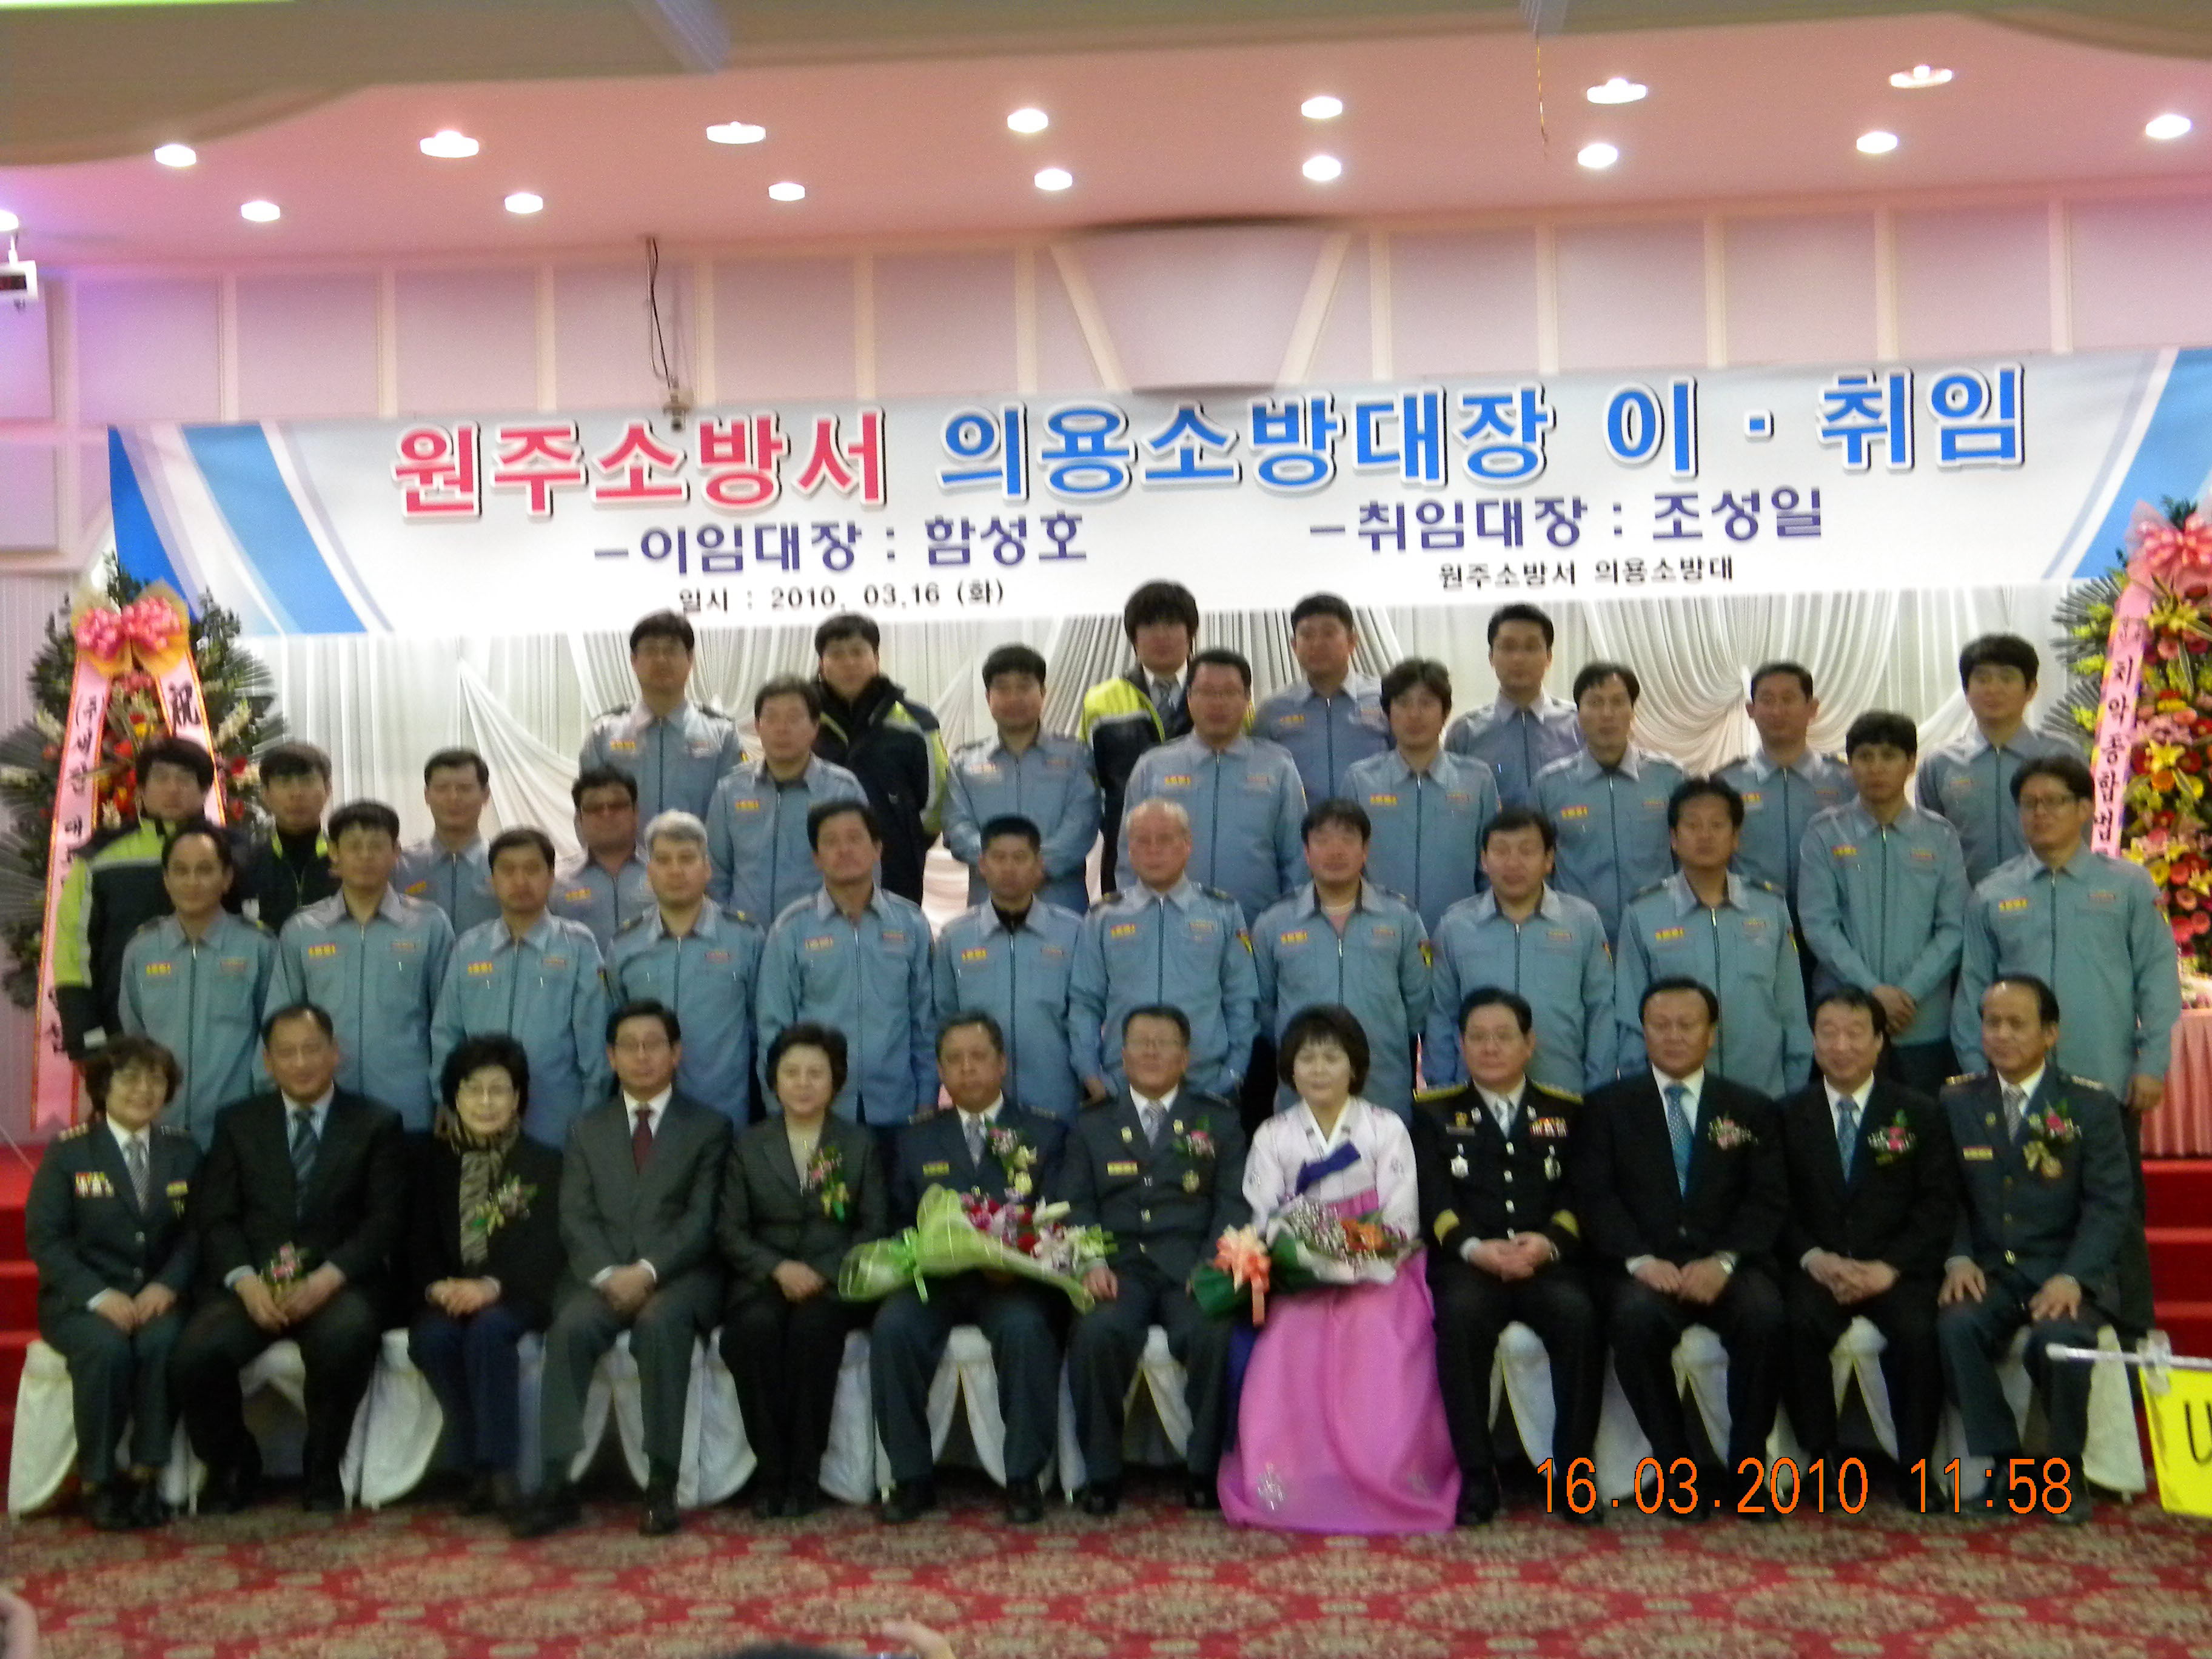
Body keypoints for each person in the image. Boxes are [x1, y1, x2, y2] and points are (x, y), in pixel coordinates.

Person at [1952, 752, 2179, 1339]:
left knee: (2118, 1213)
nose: (2041, 813)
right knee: (2023, 1210)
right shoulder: (1993, 893)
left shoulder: (2126, 885)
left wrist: (2152, 1062)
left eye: (2054, 802)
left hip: (2104, 1081)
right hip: (2016, 1091)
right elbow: (1973, 991)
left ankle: (2130, 1338)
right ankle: (2030, 1327)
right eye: (2029, 804)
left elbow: (2158, 979)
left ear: (2085, 810)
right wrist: (1983, 1078)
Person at [1220, 1004, 1458, 1532]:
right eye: (1307, 1059)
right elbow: (1263, 1217)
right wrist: (1306, 1256)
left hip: (1379, 1271)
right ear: (1290, 1069)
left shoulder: (1385, 1128)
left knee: (1379, 1337)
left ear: (1355, 1066)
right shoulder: (1273, 1135)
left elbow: (1401, 1219)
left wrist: (1353, 1256)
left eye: (1332, 1058)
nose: (1320, 1070)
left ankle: (1386, 1474)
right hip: (1299, 1275)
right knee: (1287, 1342)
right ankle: (1300, 1478)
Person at [170, 1002, 406, 1513]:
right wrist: (245, 1282)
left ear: (335, 1053)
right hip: (254, 1283)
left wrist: (327, 1278)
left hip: (338, 1282)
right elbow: (217, 1218)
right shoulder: (238, 1123)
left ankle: (322, 1469)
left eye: (312, 1049)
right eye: (287, 1052)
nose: (301, 1063)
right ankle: (234, 1463)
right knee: (195, 1355)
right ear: (268, 1061)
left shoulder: (377, 1123)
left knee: (345, 1338)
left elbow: (384, 1223)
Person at [512, 1000, 732, 1540]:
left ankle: (661, 1485)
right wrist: (609, 1274)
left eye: (654, 1044)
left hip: (679, 1276)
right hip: (601, 1276)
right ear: (610, 1057)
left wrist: (649, 1272)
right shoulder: (586, 1128)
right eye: (628, 1046)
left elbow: (703, 1220)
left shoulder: (709, 1127)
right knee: (570, 1328)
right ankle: (556, 1483)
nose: (642, 1056)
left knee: (661, 1326)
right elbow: (575, 1217)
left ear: (676, 1053)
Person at [1571, 978, 1788, 1510]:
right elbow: (1595, 1197)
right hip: (1645, 1267)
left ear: (1711, 1034)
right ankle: (1676, 1470)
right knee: (1634, 1320)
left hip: (1728, 1264)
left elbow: (1767, 1199)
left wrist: (1725, 1261)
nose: (1673, 1036)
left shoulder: (1750, 1108)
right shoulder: (1606, 1108)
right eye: (1660, 1026)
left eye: (1687, 1026)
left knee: (1765, 1316)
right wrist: (1640, 1260)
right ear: (1642, 1032)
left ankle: (1749, 1469)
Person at [1937, 976, 2133, 1523]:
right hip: (1991, 1272)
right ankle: (2005, 1465)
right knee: (1956, 1326)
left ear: (2050, 1034)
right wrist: (1957, 1257)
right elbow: (1943, 1196)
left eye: (2016, 1024)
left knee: (2060, 1340)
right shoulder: (1957, 1101)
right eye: (1992, 1023)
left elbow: (2110, 1204)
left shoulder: (2089, 1104)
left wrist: (2075, 1276)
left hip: (2065, 1271)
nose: (2001, 1035)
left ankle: (2065, 1472)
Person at [1413, 989, 1601, 1526]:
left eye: (1503, 1037)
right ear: (1461, 1045)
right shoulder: (1433, 1113)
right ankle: (1477, 1478)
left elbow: (1581, 1195)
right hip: (1470, 1263)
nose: (1490, 1048)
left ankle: (1575, 1475)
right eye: (1478, 1037)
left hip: (1546, 1261)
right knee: (1459, 1320)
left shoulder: (1567, 1111)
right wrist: (1475, 1247)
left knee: (1580, 1317)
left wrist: (1548, 1243)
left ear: (1529, 1044)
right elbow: (1434, 1198)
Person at [873, 1013, 1068, 1525]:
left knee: (1026, 1330)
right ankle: (911, 1478)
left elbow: (1059, 1217)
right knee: (893, 1328)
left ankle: (1023, 1479)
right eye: (954, 1060)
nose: (967, 1069)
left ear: (1002, 1064)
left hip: (1011, 1282)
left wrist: (1021, 1258)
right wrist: (921, 1252)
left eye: (979, 1057)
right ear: (939, 1071)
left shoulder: (1044, 1132)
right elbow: (897, 1220)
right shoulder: (913, 1139)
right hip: (935, 1280)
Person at [1057, 1004, 1247, 1515]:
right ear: (1122, 1057)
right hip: (1118, 1269)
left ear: (1186, 1058)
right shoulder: (1093, 1124)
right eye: (1141, 1042)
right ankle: (1102, 1474)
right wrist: (1091, 1262)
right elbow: (1075, 1203)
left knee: (1214, 1333)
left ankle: (1205, 1471)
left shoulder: (1219, 1121)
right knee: (1095, 1332)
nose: (1151, 1052)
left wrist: (1213, 1263)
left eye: (1164, 1043)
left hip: (1191, 1267)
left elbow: (1234, 1202)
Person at [1775, 988, 1954, 1504]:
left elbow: (1937, 1205)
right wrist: (1815, 1259)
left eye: (1855, 1034)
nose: (1841, 1046)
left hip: (1895, 1270)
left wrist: (1889, 1267)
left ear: (1879, 1042)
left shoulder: (1919, 1112)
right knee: (1795, 1324)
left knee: (1920, 1332)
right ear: (1813, 1042)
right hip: (1818, 1269)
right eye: (1828, 1033)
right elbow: (1774, 1205)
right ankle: (1822, 1461)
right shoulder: (1786, 1115)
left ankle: (1917, 1466)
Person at [25, 1036, 200, 1529]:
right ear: (103, 1086)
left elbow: (197, 1233)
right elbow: (46, 1239)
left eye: (156, 1079)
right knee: (106, 1350)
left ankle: (147, 1475)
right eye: (130, 1078)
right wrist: (99, 1297)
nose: (144, 1090)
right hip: (82, 1302)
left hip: (158, 1298)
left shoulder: (183, 1150)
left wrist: (167, 1286)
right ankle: (98, 1481)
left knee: (163, 1343)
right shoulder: (70, 1153)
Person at [718, 1023, 888, 1518]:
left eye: (816, 1073)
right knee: (753, 1332)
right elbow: (730, 1229)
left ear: (836, 1081)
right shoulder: (749, 1144)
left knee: (813, 1333)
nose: (803, 1083)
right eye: (791, 1073)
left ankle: (804, 1474)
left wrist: (822, 1272)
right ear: (774, 1081)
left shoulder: (858, 1144)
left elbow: (874, 1227)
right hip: (764, 1279)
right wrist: (778, 1269)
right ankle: (771, 1472)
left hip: (834, 1283)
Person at [405, 1034, 564, 1519]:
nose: (486, 1102)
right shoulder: (425, 1160)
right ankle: (477, 1466)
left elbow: (546, 1249)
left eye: (499, 1090)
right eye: (474, 1090)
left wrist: (490, 1287)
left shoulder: (544, 1163)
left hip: (516, 1292)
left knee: (490, 1331)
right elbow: (413, 1241)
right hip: (447, 1292)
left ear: (518, 1099)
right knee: (432, 1338)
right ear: (454, 1098)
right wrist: (438, 1286)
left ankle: (499, 1474)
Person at [1797, 711, 1969, 1097]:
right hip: (1846, 1021)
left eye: (1889, 756)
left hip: (1921, 1020)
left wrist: (1908, 993)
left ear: (1911, 763)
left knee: (1922, 1124)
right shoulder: (1825, 833)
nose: (1876, 768)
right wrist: (1873, 993)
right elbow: (1819, 925)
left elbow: (1954, 927)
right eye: (1865, 757)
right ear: (1850, 764)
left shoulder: (1940, 836)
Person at [1616, 777, 1814, 1100]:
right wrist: (1643, 1096)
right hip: (1676, 1097)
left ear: (1736, 838)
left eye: (1717, 825)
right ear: (1674, 839)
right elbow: (1630, 1017)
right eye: (1693, 825)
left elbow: (1792, 1009)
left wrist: (1794, 1090)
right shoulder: (1643, 913)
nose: (1705, 835)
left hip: (1762, 1090)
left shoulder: (1770, 907)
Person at [269, 799, 454, 1133]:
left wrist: (447, 1095)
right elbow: (281, 1018)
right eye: (354, 847)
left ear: (396, 853)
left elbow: (448, 1019)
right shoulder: (303, 930)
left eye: (377, 846)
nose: (366, 856)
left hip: (408, 1103)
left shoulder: (429, 924)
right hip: (324, 1104)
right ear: (334, 853)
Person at [756, 800, 936, 1130]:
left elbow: (925, 1022)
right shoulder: (791, 928)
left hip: (898, 1106)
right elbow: (773, 1029)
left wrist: (927, 1098)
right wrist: (780, 1109)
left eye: (855, 838)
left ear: (877, 849)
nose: (844, 850)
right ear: (816, 858)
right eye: (831, 842)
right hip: (816, 1110)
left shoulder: (911, 923)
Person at [431, 827, 611, 1152]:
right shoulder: (469, 949)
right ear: (492, 880)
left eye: (532, 869)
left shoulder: (578, 946)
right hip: (480, 1116)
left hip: (557, 1120)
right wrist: (444, 1099)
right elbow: (447, 1033)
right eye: (508, 870)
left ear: (551, 877)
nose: (520, 881)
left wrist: (591, 1117)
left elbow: (595, 1044)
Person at [1070, 799, 1258, 1104]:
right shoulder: (1104, 917)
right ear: (1129, 849)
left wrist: (1233, 1073)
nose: (1153, 850)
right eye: (1142, 841)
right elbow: (1084, 1003)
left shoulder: (1222, 912)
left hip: (1207, 1085)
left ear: (1188, 844)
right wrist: (1091, 1075)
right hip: (1121, 1088)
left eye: (1166, 839)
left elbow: (1242, 1000)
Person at [1252, 799, 1430, 1117]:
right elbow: (1264, 1010)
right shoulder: (1274, 922)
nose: (1335, 851)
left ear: (1365, 850)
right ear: (1307, 853)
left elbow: (1419, 1007)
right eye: (1322, 841)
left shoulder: (1401, 918)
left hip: (1383, 1090)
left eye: (1347, 840)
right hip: (1302, 1093)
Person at [1425, 808, 1615, 1098]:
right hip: (1474, 1097)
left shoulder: (1582, 921)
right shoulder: (1456, 925)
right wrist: (1444, 1092)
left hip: (1565, 1092)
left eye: (1527, 851)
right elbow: (1442, 1014)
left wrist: (1600, 1094)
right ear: (1484, 860)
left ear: (1549, 859)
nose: (1513, 863)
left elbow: (1601, 1010)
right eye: (1501, 851)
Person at [1117, 647, 1307, 927]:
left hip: (1257, 927)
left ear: (1247, 698)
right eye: (1206, 692)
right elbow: (1128, 855)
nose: (1218, 703)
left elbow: (1297, 858)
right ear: (1189, 698)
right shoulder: (1153, 766)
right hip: (1169, 928)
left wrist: (1288, 923)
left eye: (1229, 692)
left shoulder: (1278, 767)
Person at [55, 736, 217, 1059]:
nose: (173, 789)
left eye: (185, 779)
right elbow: (74, 950)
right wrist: (87, 1036)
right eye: (161, 778)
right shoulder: (101, 858)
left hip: (217, 1035)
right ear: (140, 789)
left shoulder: (232, 854)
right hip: (124, 1035)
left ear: (204, 791)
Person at [117, 819, 276, 1147]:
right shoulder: (141, 949)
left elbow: (274, 1035)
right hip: (159, 1128)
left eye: (205, 870)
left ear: (227, 878)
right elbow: (135, 1038)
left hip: (237, 1130)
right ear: (166, 880)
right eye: (181, 871)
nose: (192, 882)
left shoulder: (258, 947)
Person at [608, 810, 763, 1125]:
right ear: (649, 872)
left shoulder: (745, 939)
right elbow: (614, 1027)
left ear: (707, 868)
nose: (676, 870)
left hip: (725, 1111)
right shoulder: (624, 945)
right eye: (663, 860)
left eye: (687, 859)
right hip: (647, 1115)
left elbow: (759, 1027)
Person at [932, 816, 1085, 1121]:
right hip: (979, 1099)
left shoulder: (1073, 932)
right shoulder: (955, 937)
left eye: (1020, 858)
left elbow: (1085, 1015)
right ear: (983, 865)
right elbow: (942, 1018)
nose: (1009, 868)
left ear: (1039, 865)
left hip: (1056, 1097)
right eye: (999, 858)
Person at [1533, 661, 1684, 945]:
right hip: (1577, 935)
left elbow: (1686, 857)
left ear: (1633, 712)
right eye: (1595, 703)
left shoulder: (1669, 778)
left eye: (1618, 702)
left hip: (1659, 932)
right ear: (1579, 714)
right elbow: (1539, 867)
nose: (1607, 714)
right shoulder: (1550, 785)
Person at [1345, 657, 1500, 934]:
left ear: (1445, 712)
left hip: (1462, 933)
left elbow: (1492, 866)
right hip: (1379, 933)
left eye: (1427, 703)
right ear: (1387, 712)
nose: (1414, 714)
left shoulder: (1477, 780)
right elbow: (1347, 864)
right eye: (1403, 703)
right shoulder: (1361, 780)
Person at [942, 643, 1099, 914]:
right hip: (988, 909)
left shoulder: (1076, 757)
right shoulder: (964, 763)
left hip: (1061, 907)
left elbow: (1082, 824)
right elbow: (957, 828)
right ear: (988, 697)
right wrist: (999, 867)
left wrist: (1035, 868)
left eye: (1024, 687)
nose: (1014, 698)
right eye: (1003, 689)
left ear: (1043, 693)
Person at [810, 612, 948, 905]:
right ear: (822, 664)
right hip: (812, 871)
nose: (849, 663)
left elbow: (936, 803)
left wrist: (903, 841)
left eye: (858, 652)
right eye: (837, 654)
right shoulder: (803, 722)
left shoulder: (916, 722)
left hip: (896, 872)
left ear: (876, 658)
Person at [706, 676, 868, 923]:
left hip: (819, 934)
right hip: (747, 933)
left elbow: (863, 869)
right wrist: (731, 927)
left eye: (794, 718)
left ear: (815, 727)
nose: (782, 729)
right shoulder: (731, 790)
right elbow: (716, 872)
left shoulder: (841, 789)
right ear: (758, 727)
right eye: (771, 718)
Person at [1915, 634, 2074, 885]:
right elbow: (1929, 843)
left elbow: (2081, 834)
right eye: (1982, 679)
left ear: (2031, 689)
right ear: (1966, 691)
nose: (1993, 689)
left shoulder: (2062, 755)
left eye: (2007, 678)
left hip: (2046, 898)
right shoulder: (1940, 763)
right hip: (1966, 901)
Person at [1082, 580, 1199, 899]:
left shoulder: (1221, 694)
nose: (1161, 635)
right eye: (1149, 625)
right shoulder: (1100, 701)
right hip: (1128, 855)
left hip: (1203, 851)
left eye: (1172, 624)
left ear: (1191, 632)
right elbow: (1090, 786)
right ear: (1133, 636)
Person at [577, 608, 746, 825]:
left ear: (690, 659)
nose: (661, 659)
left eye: (671, 650)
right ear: (633, 661)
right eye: (650, 650)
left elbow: (734, 810)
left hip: (698, 848)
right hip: (625, 849)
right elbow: (588, 811)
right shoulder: (604, 733)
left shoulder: (722, 733)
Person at [1716, 663, 1852, 915]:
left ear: (1812, 708)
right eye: (1767, 701)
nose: (1777, 711)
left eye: (1788, 699)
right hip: (1753, 919)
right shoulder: (1726, 783)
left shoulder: (1844, 780)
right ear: (1751, 710)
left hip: (1833, 916)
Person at [1444, 603, 1583, 809]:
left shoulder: (1579, 723)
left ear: (1549, 657)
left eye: (1531, 647)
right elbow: (1453, 802)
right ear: (1491, 657)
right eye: (1508, 647)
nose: (1519, 658)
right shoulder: (1466, 732)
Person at [1255, 592, 1390, 803]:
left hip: (1374, 820)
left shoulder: (1385, 698)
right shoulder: (1273, 710)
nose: (1317, 644)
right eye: (1307, 635)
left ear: (1352, 641)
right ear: (1294, 645)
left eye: (1329, 633)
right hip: (1301, 823)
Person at [230, 741, 337, 933]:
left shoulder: (348, 864)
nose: (296, 794)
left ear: (328, 790)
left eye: (307, 781)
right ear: (265, 794)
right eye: (284, 783)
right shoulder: (245, 867)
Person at [396, 748, 499, 938]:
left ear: (486, 795)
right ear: (427, 795)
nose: (453, 798)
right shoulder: (401, 866)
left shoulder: (504, 865)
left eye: (465, 788)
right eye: (442, 788)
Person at [549, 766, 652, 954]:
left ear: (636, 812)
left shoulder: (663, 873)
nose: (606, 814)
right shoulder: (556, 882)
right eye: (594, 808)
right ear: (579, 818)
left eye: (617, 805)